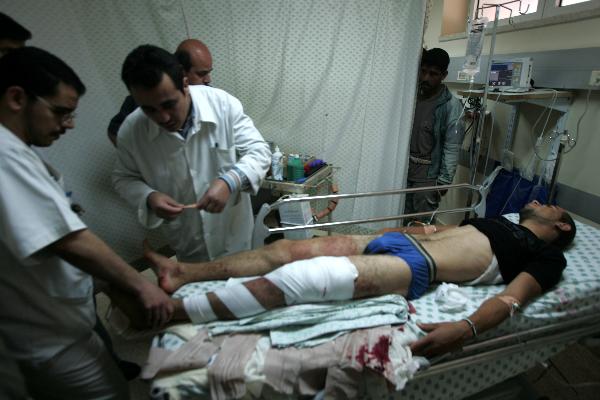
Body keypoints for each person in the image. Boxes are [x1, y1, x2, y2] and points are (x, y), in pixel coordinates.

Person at [126, 201, 575, 359]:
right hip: (396, 242)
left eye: (553, 207)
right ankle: (182, 272)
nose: (540, 201)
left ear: (563, 228)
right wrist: (397, 232)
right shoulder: (499, 220)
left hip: (416, 269)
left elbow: (516, 297)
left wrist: (467, 327)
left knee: (301, 278)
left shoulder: (547, 255)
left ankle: (170, 312)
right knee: (285, 249)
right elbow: (444, 231)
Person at [0, 47, 174, 399]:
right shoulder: (5, 155)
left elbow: (64, 228)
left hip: (65, 321)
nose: (69, 124)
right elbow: (68, 239)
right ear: (17, 98)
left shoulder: (20, 153)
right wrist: (141, 286)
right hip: (49, 338)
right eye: (61, 112)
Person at [112, 45, 270, 264]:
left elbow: (260, 152)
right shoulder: (131, 131)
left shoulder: (222, 105)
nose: (163, 117)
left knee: (242, 293)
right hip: (188, 244)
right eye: (149, 109)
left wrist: (230, 181)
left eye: (169, 104)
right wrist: (148, 197)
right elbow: (123, 178)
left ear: (185, 84)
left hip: (236, 239)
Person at [107, 39, 213, 146]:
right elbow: (114, 132)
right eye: (201, 74)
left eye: (170, 104)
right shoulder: (141, 100)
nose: (208, 79)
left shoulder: (213, 97)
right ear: (182, 72)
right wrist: (137, 155)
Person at [404, 47, 465, 224]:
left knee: (421, 227)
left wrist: (444, 182)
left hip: (427, 178)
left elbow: (452, 146)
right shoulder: (410, 97)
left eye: (433, 74)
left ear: (444, 75)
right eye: (423, 72)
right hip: (403, 171)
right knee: (399, 222)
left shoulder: (451, 106)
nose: (426, 78)